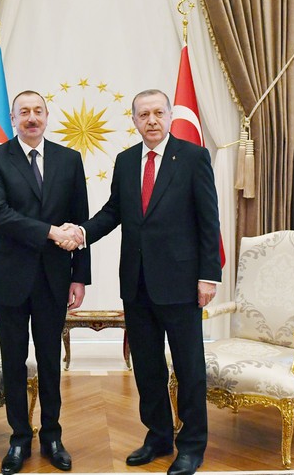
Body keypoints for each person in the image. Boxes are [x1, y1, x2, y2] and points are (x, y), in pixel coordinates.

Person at [75, 89, 221, 475]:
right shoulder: (125, 161)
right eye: (144, 115)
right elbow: (113, 212)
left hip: (182, 283)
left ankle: (191, 445)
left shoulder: (193, 157)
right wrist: (82, 233)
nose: (152, 120)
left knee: (189, 367)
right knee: (147, 366)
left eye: (158, 113)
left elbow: (209, 221)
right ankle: (158, 437)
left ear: (170, 116)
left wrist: (208, 277)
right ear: (134, 121)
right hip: (137, 283)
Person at [0, 90, 90, 475]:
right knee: (13, 361)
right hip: (8, 277)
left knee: (50, 360)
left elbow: (80, 221)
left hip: (54, 278)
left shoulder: (69, 159)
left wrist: (80, 276)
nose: (31, 118)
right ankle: (19, 438)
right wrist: (50, 232)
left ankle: (52, 436)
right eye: (23, 112)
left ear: (47, 116)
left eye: (37, 111)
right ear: (13, 119)